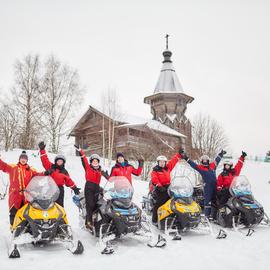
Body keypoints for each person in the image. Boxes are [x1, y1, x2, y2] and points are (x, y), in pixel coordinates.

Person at [0, 151, 43, 226]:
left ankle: (26, 229)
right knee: (14, 212)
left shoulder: (31, 170)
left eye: (25, 159)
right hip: (15, 195)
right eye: (22, 158)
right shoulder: (13, 168)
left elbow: (38, 175)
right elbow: (3, 166)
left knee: (27, 212)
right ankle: (13, 228)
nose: (23, 160)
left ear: (27, 160)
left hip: (26, 196)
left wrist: (45, 173)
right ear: (19, 159)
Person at [181, 149, 226, 218]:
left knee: (215, 200)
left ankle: (214, 215)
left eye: (206, 160)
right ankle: (207, 216)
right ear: (202, 161)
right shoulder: (200, 167)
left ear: (208, 161)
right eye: (203, 160)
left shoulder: (212, 166)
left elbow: (217, 160)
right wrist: (186, 158)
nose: (205, 161)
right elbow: (193, 164)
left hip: (215, 185)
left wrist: (221, 154)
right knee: (207, 201)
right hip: (207, 186)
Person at [75, 145, 109, 230]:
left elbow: (109, 178)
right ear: (91, 162)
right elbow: (83, 159)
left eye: (96, 161)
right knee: (90, 204)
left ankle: (97, 221)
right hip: (89, 187)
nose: (95, 162)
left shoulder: (100, 170)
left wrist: (109, 176)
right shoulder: (88, 167)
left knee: (97, 205)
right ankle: (88, 222)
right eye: (93, 161)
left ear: (98, 162)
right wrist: (80, 150)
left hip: (97, 188)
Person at [38, 141, 80, 207]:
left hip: (60, 190)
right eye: (58, 161)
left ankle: (60, 217)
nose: (59, 162)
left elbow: (69, 181)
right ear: (56, 162)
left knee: (59, 206)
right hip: (50, 188)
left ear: (63, 163)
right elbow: (44, 160)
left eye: (61, 161)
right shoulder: (51, 167)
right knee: (48, 205)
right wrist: (42, 150)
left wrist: (74, 188)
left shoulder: (64, 172)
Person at [151, 149, 182, 225]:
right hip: (160, 189)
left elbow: (173, 161)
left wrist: (179, 154)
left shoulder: (167, 168)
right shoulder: (155, 170)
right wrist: (159, 186)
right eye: (160, 162)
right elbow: (154, 179)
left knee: (173, 202)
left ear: (165, 162)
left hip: (169, 187)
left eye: (163, 162)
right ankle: (154, 220)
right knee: (159, 204)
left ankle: (171, 217)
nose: (162, 163)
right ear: (158, 162)